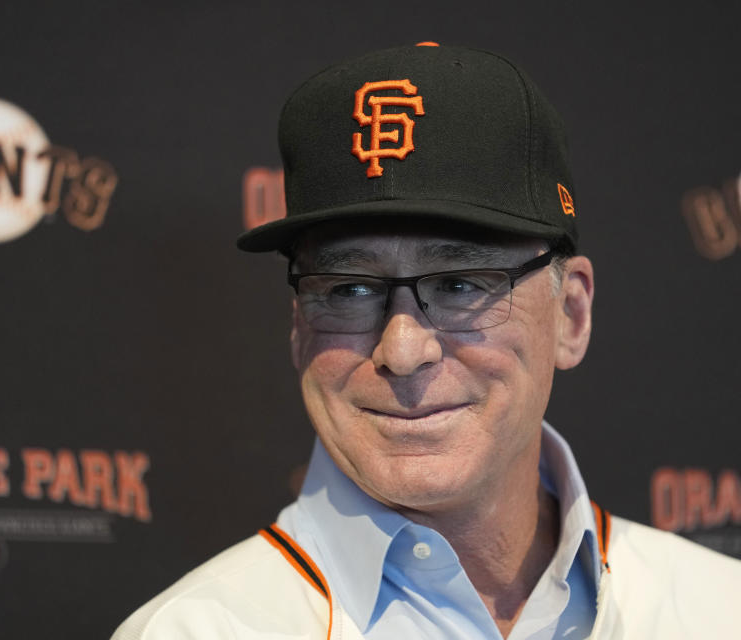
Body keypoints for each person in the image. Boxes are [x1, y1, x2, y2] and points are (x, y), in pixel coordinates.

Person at [112, 43, 741, 639]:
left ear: (571, 313)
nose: (404, 350)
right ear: (299, 328)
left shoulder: (718, 608)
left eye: (461, 283)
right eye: (349, 289)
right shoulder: (192, 631)